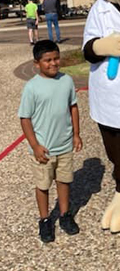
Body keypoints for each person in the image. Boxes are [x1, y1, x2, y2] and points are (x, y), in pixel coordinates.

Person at [18, 40, 82, 243]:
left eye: (56, 58)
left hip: (64, 145)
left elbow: (73, 107)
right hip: (43, 149)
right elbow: (25, 118)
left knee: (64, 181)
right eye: (48, 60)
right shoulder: (32, 87)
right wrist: (35, 145)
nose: (53, 63)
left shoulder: (67, 81)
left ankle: (65, 215)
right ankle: (45, 219)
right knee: (43, 185)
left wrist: (76, 134)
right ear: (37, 63)